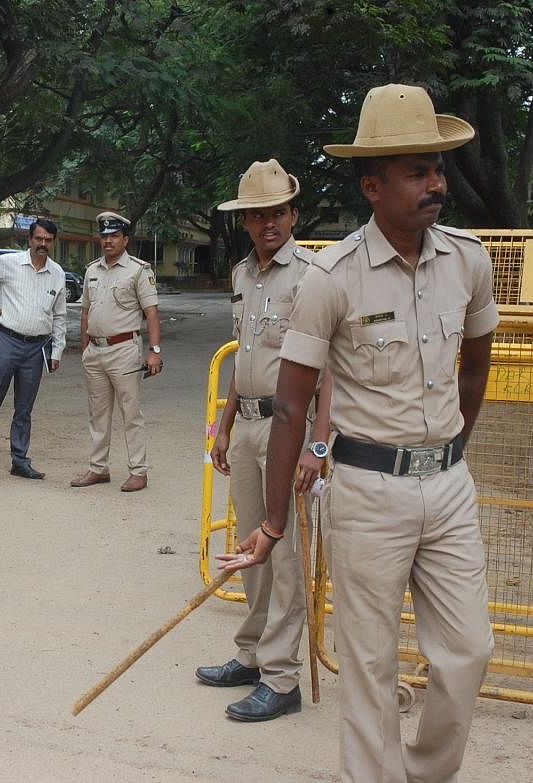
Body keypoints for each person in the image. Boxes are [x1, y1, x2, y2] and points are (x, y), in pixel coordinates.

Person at [218, 84, 498, 782]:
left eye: (437, 168)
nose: (436, 184)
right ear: (373, 185)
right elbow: (291, 403)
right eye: (416, 171)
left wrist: (449, 453)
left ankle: (424, 772)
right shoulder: (332, 278)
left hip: (449, 487)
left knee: (469, 651)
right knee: (370, 665)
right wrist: (275, 517)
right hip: (369, 493)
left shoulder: (470, 259)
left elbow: (476, 368)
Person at [198, 159, 331, 722]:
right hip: (249, 423)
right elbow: (244, 359)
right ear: (245, 222)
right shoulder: (242, 275)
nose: (267, 222)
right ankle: (251, 654)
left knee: (287, 554)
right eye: (257, 214)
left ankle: (281, 679)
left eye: (277, 212)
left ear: (293, 214)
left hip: (289, 429)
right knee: (252, 546)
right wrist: (225, 424)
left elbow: (331, 372)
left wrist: (316, 444)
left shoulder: (312, 277)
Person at [0, 218, 67, 480]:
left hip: (36, 348)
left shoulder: (58, 274)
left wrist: (57, 352)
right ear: (29, 239)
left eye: (48, 240)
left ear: (53, 242)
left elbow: (60, 316)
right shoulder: (9, 263)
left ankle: (20, 460)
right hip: (7, 342)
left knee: (24, 407)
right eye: (38, 238)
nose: (43, 244)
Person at [71, 212, 161, 492]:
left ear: (125, 239)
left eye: (114, 236)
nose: (108, 241)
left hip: (124, 349)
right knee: (97, 413)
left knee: (130, 412)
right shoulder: (91, 270)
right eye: (104, 236)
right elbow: (86, 312)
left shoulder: (138, 270)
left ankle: (138, 471)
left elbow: (152, 313)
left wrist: (154, 351)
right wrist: (85, 347)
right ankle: (98, 468)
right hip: (95, 351)